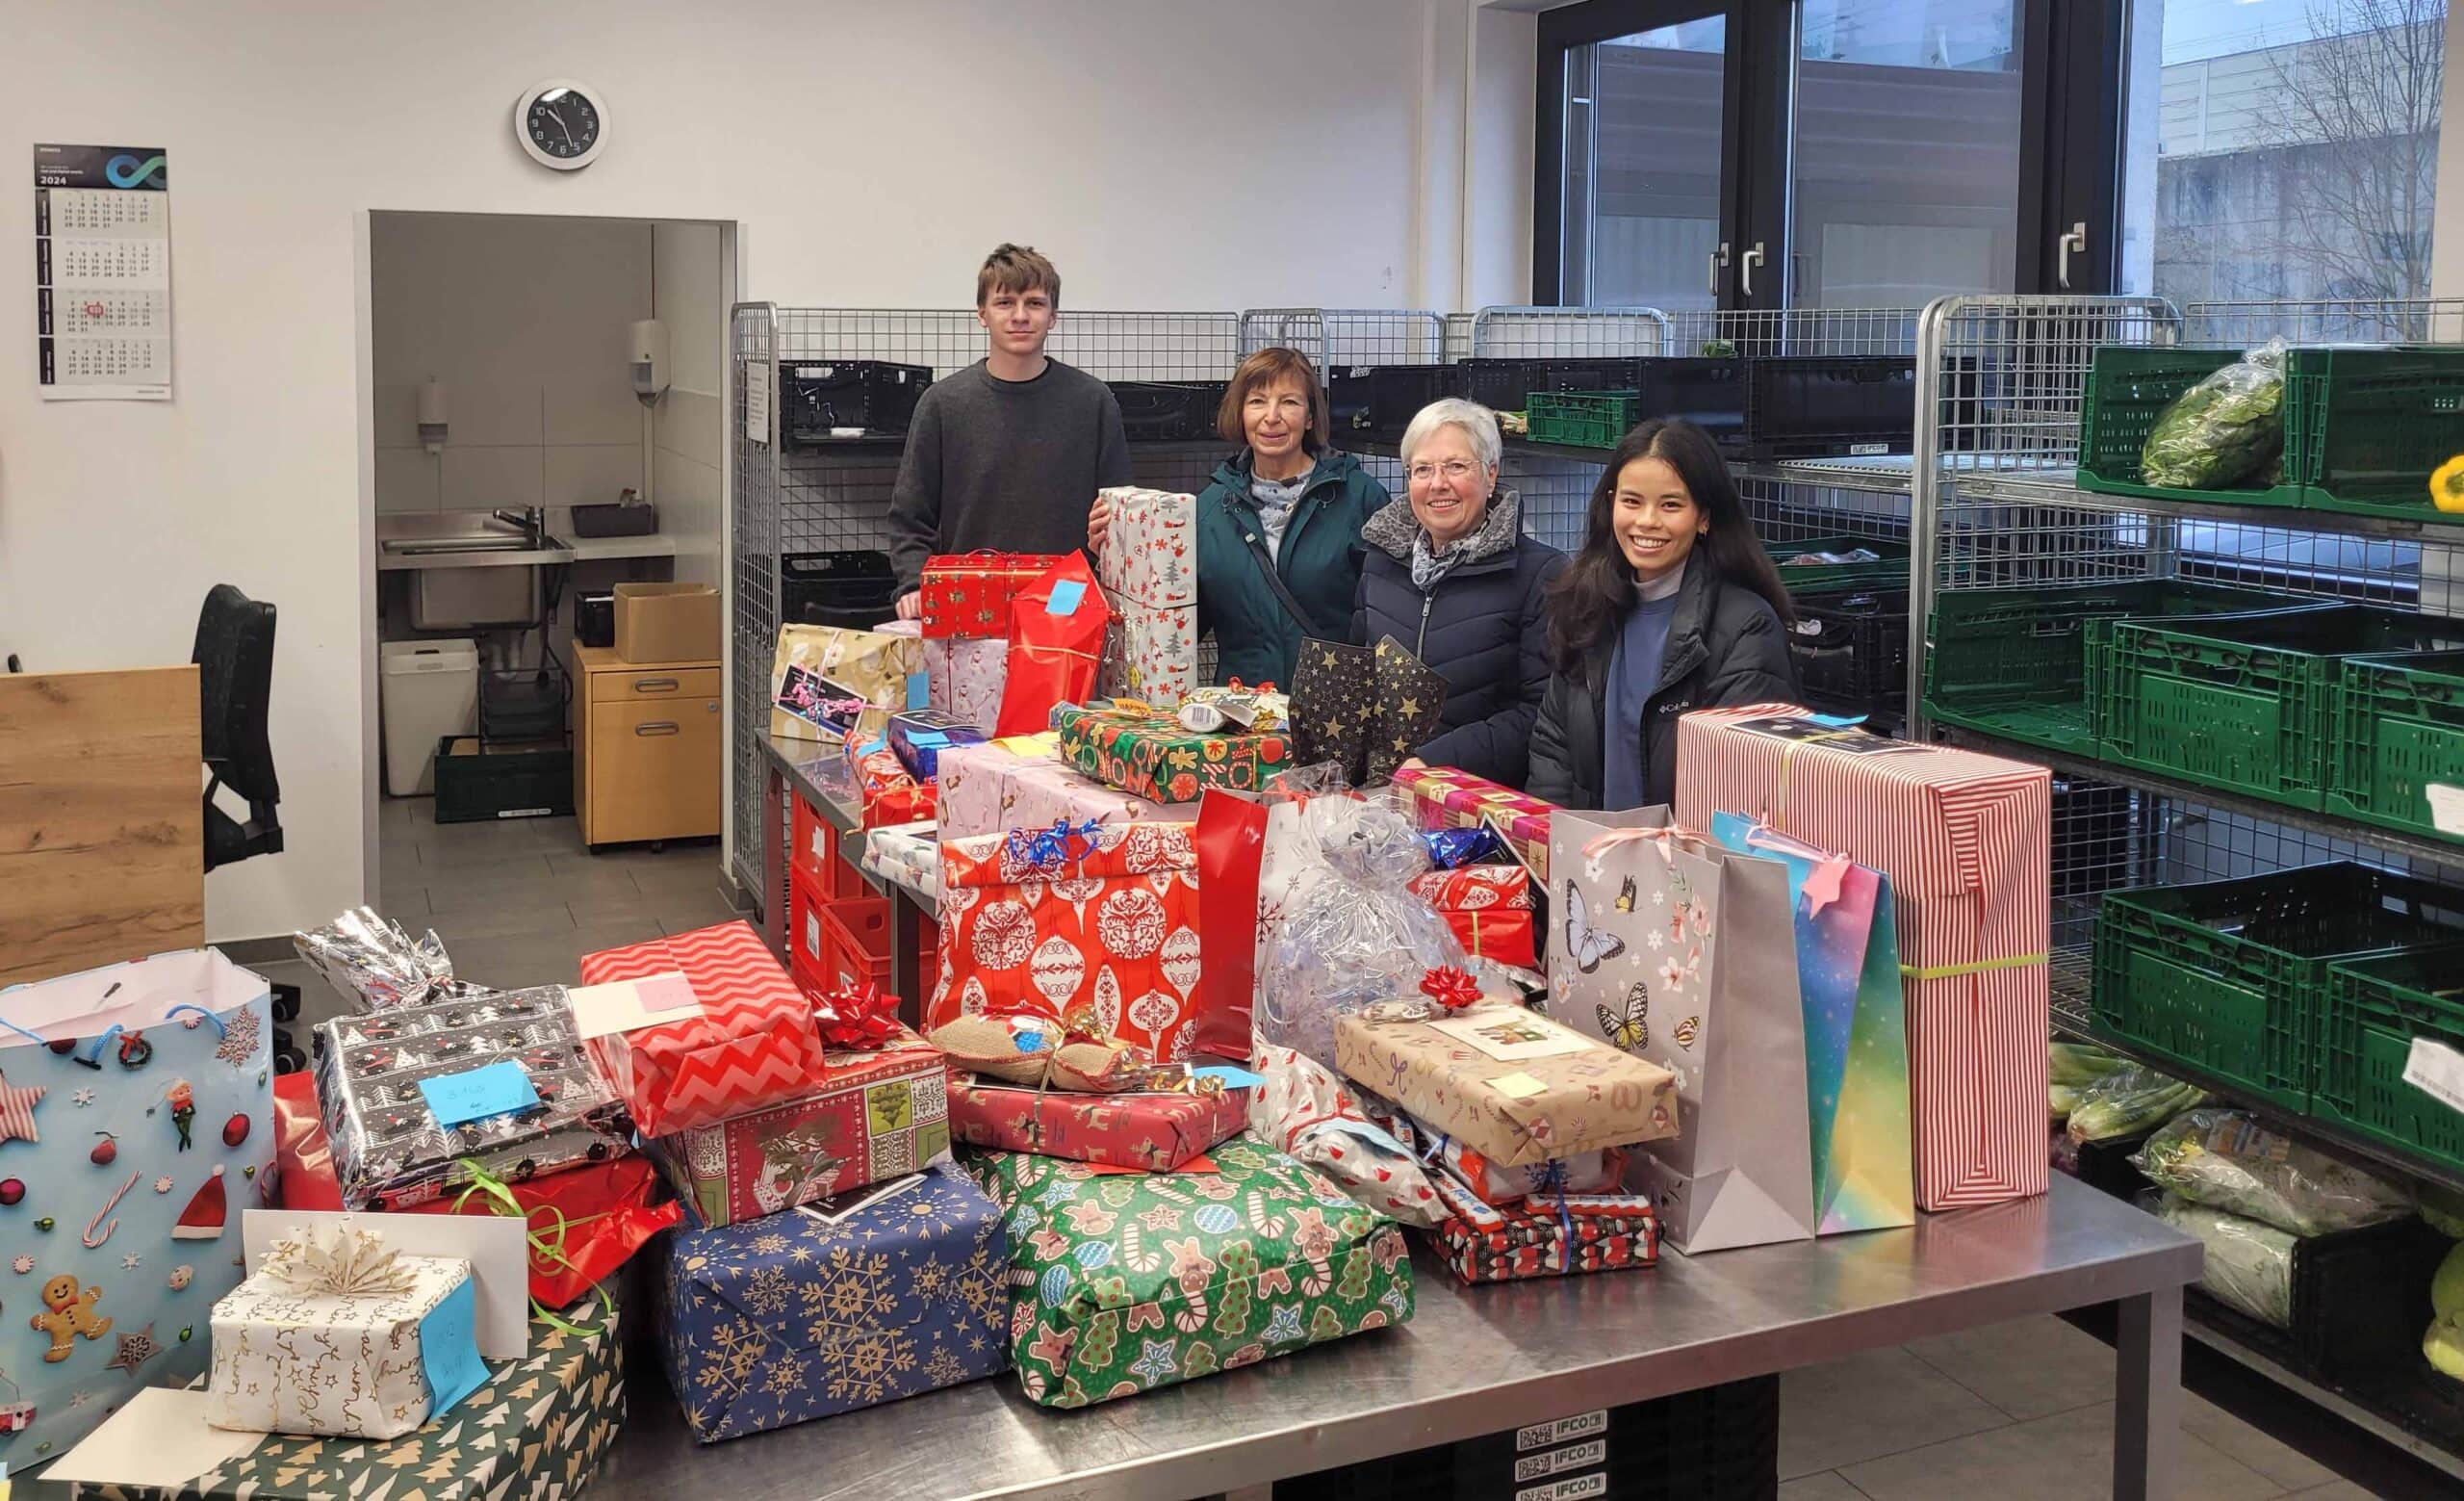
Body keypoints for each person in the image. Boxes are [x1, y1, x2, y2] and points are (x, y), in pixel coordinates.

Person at [1527, 418, 1801, 811]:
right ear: (1610, 503)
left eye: (1670, 504)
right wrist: (1551, 841)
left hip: (1682, 866)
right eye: (1632, 501)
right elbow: (1552, 746)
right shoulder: (1586, 605)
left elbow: (1744, 781)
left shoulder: (1745, 628)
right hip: (1589, 858)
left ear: (1703, 516)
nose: (1647, 521)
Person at [1091, 347, 1386, 688]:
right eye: (1257, 401)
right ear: (1240, 413)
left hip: (1334, 717)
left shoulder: (1360, 499)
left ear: (1309, 416)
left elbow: (1390, 621)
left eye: (1289, 402)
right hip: (1242, 718)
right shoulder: (1209, 511)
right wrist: (1115, 561)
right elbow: (1177, 621)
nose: (1271, 416)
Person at [886, 244, 1131, 617]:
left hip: (1064, 605)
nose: (1020, 316)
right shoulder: (942, 404)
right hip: (967, 603)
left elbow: (1116, 514)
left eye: (1034, 303)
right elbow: (910, 517)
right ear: (982, 314)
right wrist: (914, 584)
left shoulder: (1093, 402)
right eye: (1005, 303)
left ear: (1053, 316)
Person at [1353, 398, 1566, 788]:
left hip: (1478, 802)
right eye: (1422, 470)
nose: (1438, 484)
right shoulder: (1379, 564)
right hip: (1382, 793)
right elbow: (1358, 680)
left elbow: (1542, 713)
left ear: (1491, 474)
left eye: (1456, 466)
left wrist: (1433, 761)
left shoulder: (1541, 575)